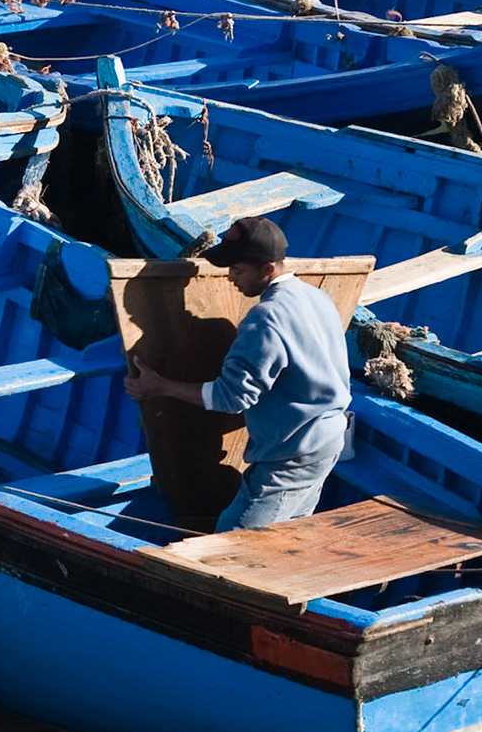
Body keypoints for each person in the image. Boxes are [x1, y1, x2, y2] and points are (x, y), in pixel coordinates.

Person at [124, 216, 353, 533]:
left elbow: (231, 397)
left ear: (268, 269)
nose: (231, 277)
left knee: (232, 543)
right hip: (329, 441)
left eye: (238, 270)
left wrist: (159, 386)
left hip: (291, 457)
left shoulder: (267, 316)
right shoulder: (316, 297)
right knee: (287, 536)